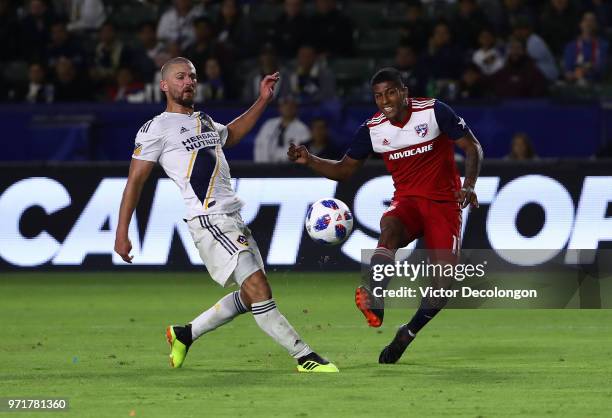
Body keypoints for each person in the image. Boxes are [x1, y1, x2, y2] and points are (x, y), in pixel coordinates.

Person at [114, 57, 337, 373]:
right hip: (209, 219)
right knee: (259, 288)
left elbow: (231, 135)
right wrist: (122, 232)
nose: (189, 81)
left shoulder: (203, 120)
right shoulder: (155, 129)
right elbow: (135, 181)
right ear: (164, 85)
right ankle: (305, 356)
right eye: (180, 77)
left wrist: (262, 101)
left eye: (192, 76)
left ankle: (184, 334)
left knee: (250, 296)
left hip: (232, 217)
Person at [288, 67, 483, 364]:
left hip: (444, 204)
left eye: (390, 92)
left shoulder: (433, 111)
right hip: (407, 202)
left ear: (404, 92)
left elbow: (473, 148)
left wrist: (468, 186)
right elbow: (344, 169)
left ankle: (407, 333)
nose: (385, 101)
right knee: (389, 228)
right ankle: (375, 296)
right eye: (378, 96)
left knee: (443, 285)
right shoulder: (373, 129)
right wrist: (309, 159)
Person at [254, 95, 310, 163]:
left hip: (290, 170)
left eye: (291, 105)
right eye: (285, 104)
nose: (288, 107)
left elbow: (302, 155)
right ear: (280, 107)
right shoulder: (268, 125)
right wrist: (261, 167)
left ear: (296, 108)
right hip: (265, 168)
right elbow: (259, 146)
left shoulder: (303, 130)